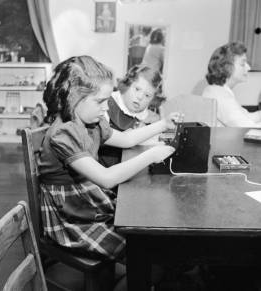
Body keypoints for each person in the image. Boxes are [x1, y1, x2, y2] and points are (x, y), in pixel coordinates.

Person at [38, 55, 180, 261]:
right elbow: (106, 178)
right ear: (74, 97)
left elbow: (126, 140)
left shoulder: (92, 122)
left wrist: (163, 124)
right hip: (69, 216)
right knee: (141, 244)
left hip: (84, 200)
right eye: (100, 101)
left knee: (146, 225)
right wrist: (151, 155)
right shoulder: (63, 133)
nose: (106, 108)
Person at [202, 41, 261, 127]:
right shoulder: (219, 95)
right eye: (242, 63)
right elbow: (246, 127)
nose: (248, 67)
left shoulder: (219, 91)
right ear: (227, 67)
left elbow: (246, 117)